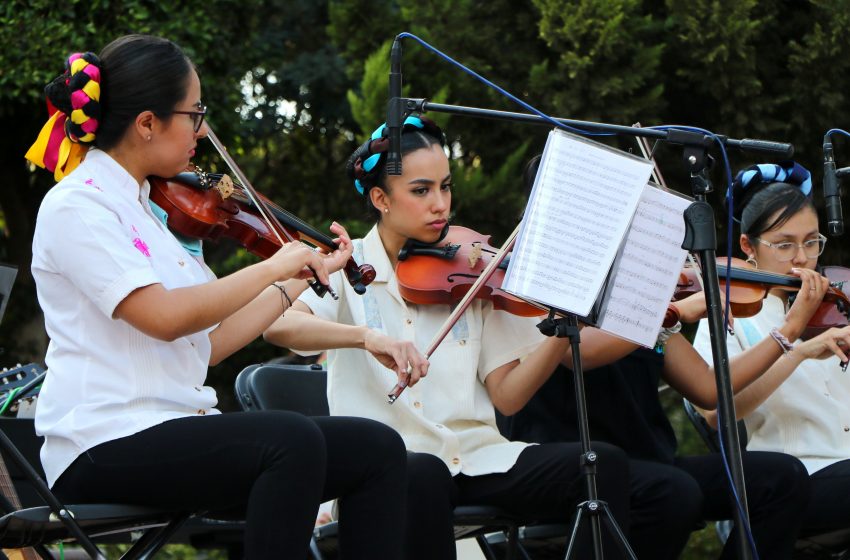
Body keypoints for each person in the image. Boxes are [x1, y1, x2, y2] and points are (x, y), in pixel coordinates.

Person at [26, 34, 409, 559]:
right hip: (99, 441)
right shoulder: (76, 206)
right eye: (194, 112)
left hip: (172, 429)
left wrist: (304, 275)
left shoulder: (153, 213)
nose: (202, 129)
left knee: (377, 448)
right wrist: (275, 264)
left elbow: (209, 344)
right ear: (146, 124)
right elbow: (163, 318)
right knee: (289, 441)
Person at [262, 115, 687, 559]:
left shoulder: (471, 270)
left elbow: (507, 398)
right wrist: (367, 337)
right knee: (422, 475)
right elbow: (280, 324)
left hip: (478, 457)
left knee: (600, 465)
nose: (440, 204)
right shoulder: (346, 265)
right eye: (421, 190)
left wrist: (564, 329)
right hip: (395, 463)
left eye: (445, 187)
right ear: (380, 198)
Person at [498, 157, 850, 559]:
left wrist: (787, 335)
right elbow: (586, 350)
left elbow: (708, 388)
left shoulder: (639, 293)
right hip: (568, 459)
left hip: (647, 459)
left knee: (780, 479)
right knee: (673, 492)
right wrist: (673, 311)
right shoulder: (536, 284)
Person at [693, 162, 850, 539]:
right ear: (748, 246)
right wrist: (796, 350)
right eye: (784, 244)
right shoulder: (727, 312)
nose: (801, 258)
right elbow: (716, 413)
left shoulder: (836, 304)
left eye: (812, 242)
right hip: (797, 476)